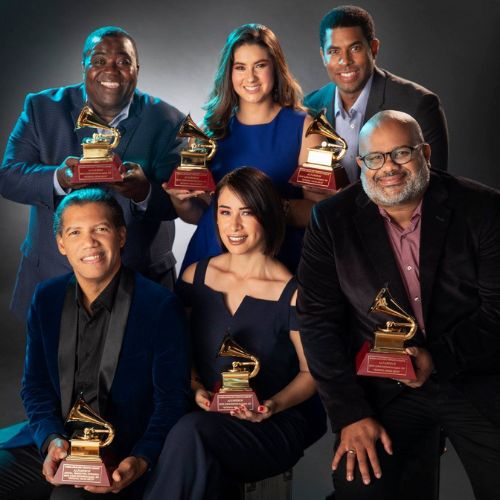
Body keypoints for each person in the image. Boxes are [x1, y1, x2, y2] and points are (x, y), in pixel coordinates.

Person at [297, 110, 500, 500]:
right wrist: (351, 413)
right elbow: (318, 321)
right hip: (383, 390)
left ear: (425, 153)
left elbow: (497, 312)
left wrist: (436, 358)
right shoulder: (331, 220)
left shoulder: (484, 209)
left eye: (401, 153)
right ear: (361, 164)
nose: (388, 168)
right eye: (375, 158)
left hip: (473, 376)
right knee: (361, 486)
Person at [145, 167, 326, 499]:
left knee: (191, 433)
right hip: (206, 414)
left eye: (247, 212)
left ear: (268, 215)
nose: (234, 226)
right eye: (225, 212)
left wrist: (271, 405)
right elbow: (178, 352)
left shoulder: (293, 293)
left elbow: (310, 373)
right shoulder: (194, 277)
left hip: (270, 424)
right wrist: (196, 387)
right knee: (192, 444)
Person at [0, 188, 190, 499]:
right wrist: (51, 441)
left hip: (121, 454)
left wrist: (141, 459)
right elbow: (35, 387)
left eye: (100, 229)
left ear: (121, 235)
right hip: (57, 442)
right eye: (75, 232)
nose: (89, 242)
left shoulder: (159, 306)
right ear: (61, 244)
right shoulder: (46, 298)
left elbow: (171, 401)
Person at [0, 26, 185, 321]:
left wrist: (145, 192)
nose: (110, 70)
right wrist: (59, 179)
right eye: (99, 61)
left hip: (141, 276)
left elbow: (181, 203)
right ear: (84, 65)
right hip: (55, 274)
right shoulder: (41, 108)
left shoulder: (168, 120)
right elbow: (8, 177)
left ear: (137, 69)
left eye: (123, 62)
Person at [168, 23, 325, 274]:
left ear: (276, 67)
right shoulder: (209, 131)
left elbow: (319, 211)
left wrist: (266, 207)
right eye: (240, 67)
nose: (250, 78)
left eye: (260, 65)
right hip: (211, 256)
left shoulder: (308, 129)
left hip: (278, 262)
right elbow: (201, 215)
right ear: (229, 73)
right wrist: (181, 201)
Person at [304, 5, 448, 182]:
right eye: (334, 51)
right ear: (323, 56)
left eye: (355, 48)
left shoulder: (419, 104)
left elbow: (436, 183)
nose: (345, 61)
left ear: (373, 48)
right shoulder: (309, 107)